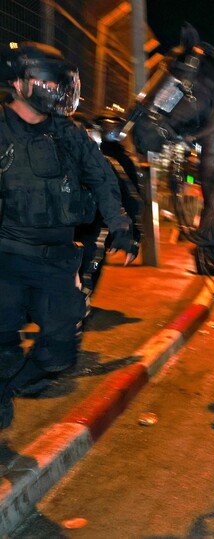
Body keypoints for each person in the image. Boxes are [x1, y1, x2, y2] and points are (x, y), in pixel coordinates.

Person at [0, 43, 136, 427]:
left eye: (63, 83)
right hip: (7, 256)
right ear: (18, 82)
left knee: (60, 354)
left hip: (58, 258)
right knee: (3, 346)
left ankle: (8, 386)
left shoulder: (68, 133)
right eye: (49, 81)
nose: (58, 90)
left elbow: (102, 178)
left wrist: (121, 224)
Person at [74, 114, 143, 301]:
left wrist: (131, 236)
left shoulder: (113, 162)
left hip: (96, 228)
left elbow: (129, 198)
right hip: (58, 234)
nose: (110, 132)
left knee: (86, 273)